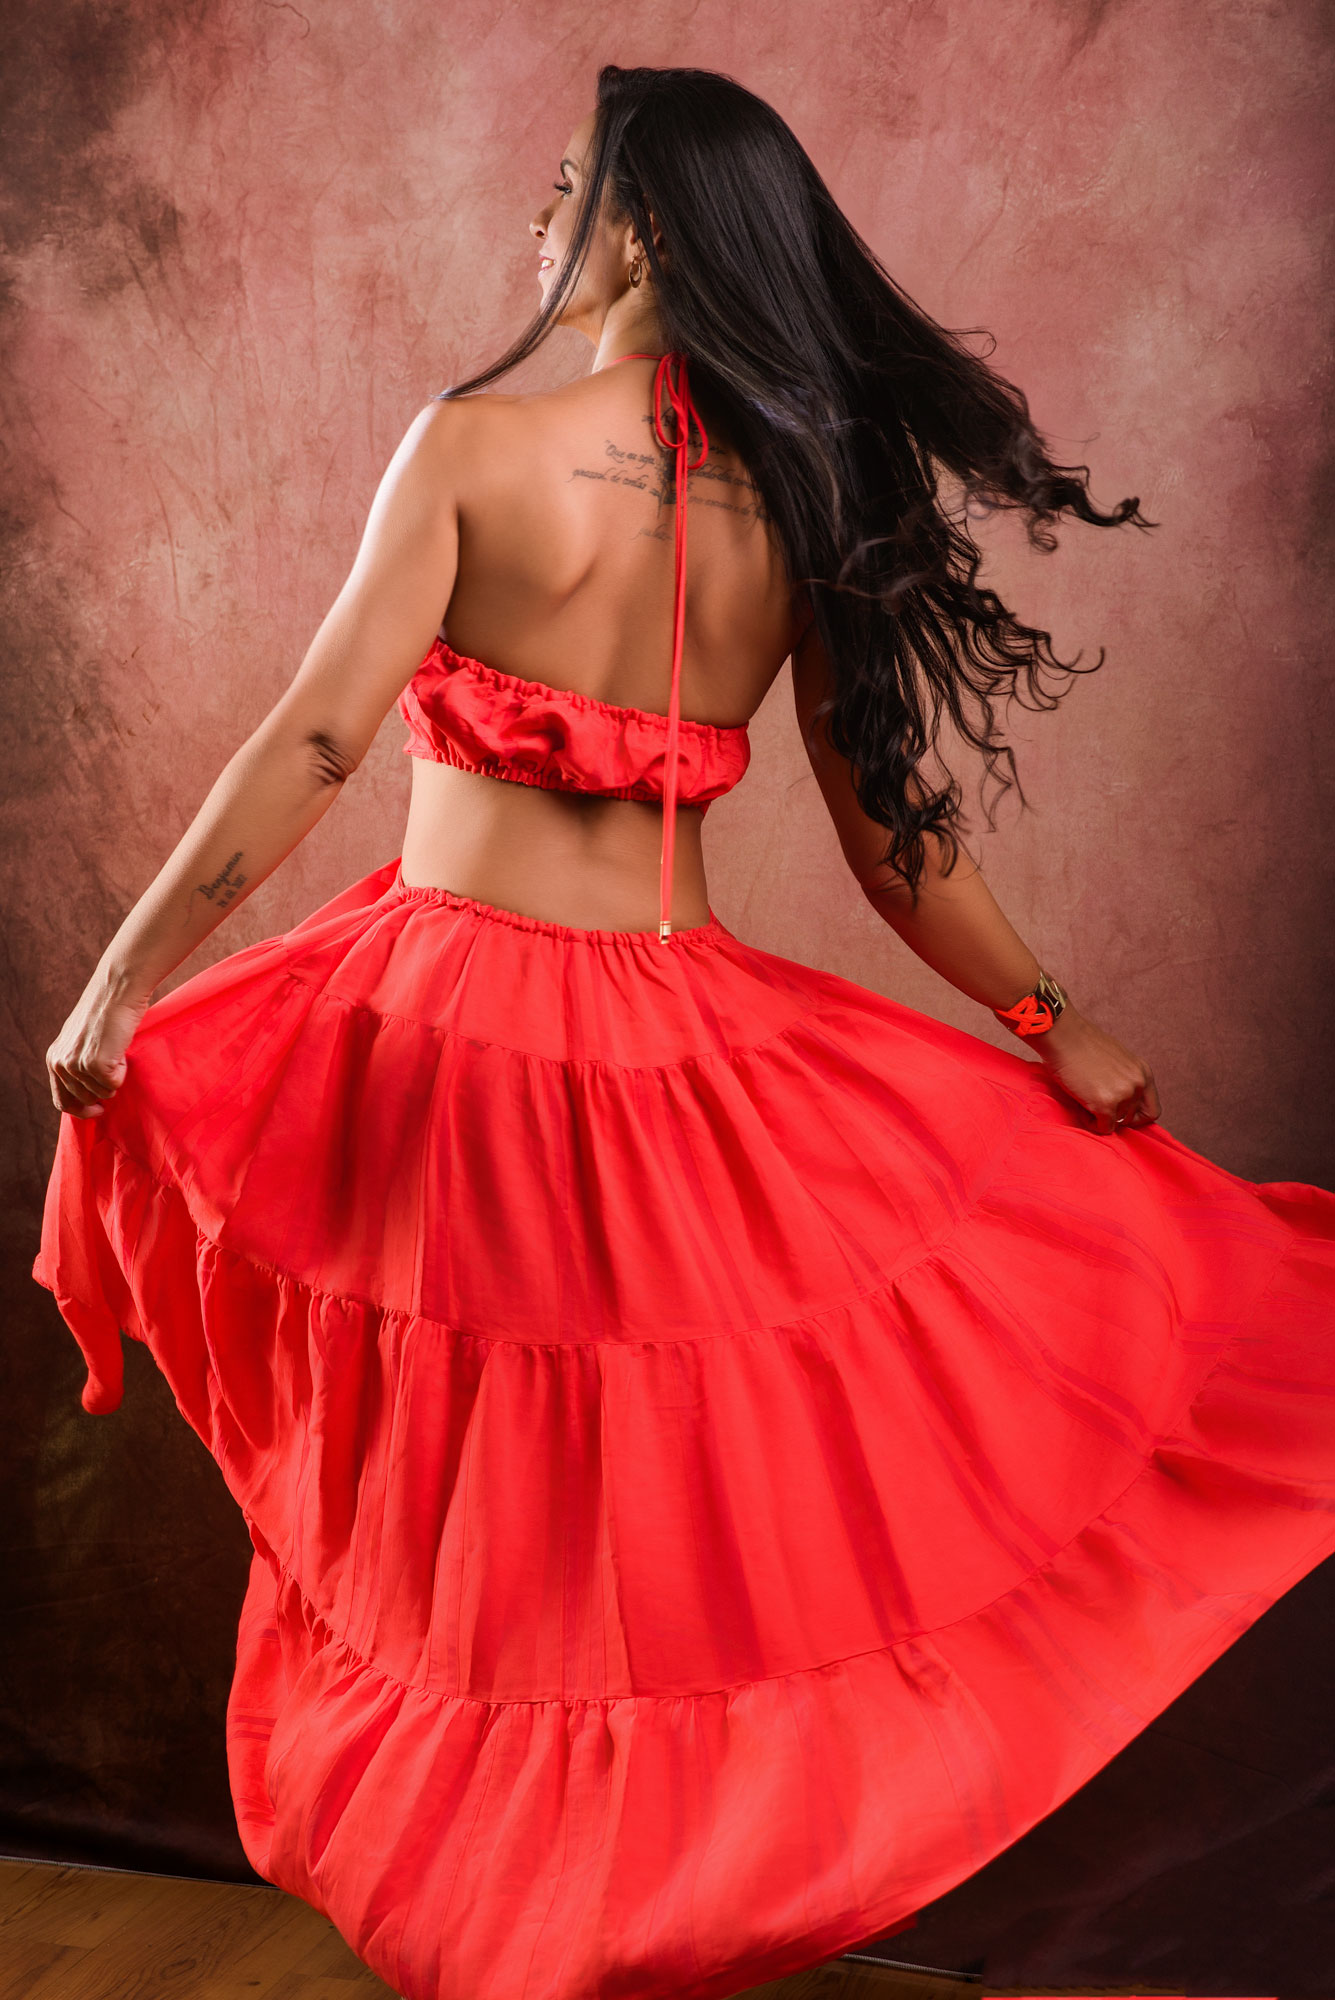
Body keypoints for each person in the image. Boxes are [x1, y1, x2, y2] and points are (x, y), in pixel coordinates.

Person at [33, 62, 1335, 2000]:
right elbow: (895, 838)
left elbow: (314, 739)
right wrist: (1044, 1021)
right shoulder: (797, 497)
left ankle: (521, 1933)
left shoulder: (474, 445)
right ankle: (616, 1927)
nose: (535, 217)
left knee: (492, 1531)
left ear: (638, 228)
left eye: (566, 184)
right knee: (629, 1533)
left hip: (449, 1039)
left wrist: (126, 972)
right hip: (674, 1056)